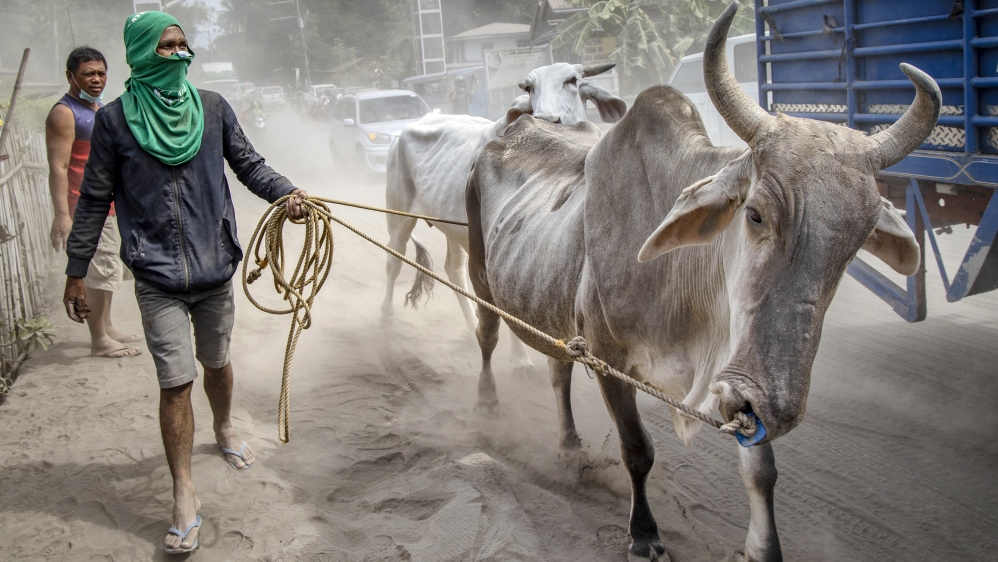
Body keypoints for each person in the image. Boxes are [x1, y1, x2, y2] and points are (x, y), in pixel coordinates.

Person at [62, 12, 307, 555]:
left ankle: (222, 427)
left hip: (215, 266)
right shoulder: (116, 121)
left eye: (183, 46)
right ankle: (183, 491)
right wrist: (76, 271)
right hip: (155, 274)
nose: (179, 54)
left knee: (216, 365)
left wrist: (287, 194)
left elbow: (248, 164)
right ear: (142, 53)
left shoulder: (214, 108)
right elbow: (93, 199)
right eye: (166, 47)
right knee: (175, 381)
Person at [46, 47, 142, 359]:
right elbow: (58, 167)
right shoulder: (65, 112)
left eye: (101, 73)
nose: (96, 79)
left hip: (109, 205)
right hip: (85, 206)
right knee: (98, 271)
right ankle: (98, 339)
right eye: (88, 73)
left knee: (109, 268)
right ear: (70, 76)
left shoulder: (96, 106)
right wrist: (63, 215)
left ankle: (107, 325)